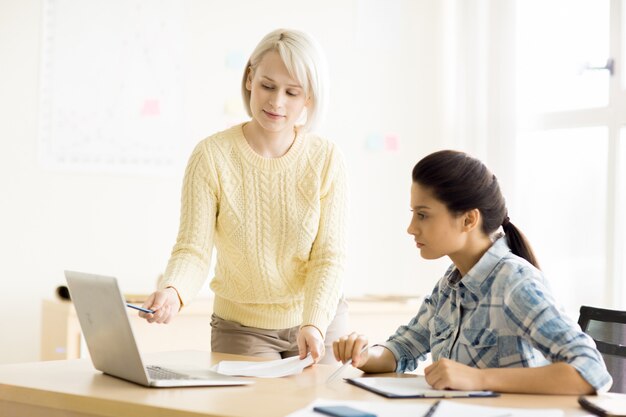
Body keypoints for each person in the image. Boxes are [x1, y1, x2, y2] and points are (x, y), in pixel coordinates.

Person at [139, 28, 348, 364]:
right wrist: (173, 292)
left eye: (292, 92)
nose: (276, 102)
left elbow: (329, 256)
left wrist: (314, 323)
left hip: (318, 319)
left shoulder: (326, 159)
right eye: (267, 85)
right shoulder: (211, 156)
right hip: (242, 328)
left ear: (308, 98)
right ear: (250, 77)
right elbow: (193, 248)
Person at [332, 150, 612, 394]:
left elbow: (591, 372)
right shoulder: (450, 284)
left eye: (423, 214)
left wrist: (479, 379)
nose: (411, 227)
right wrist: (365, 355)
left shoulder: (515, 283)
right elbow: (403, 349)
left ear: (468, 219)